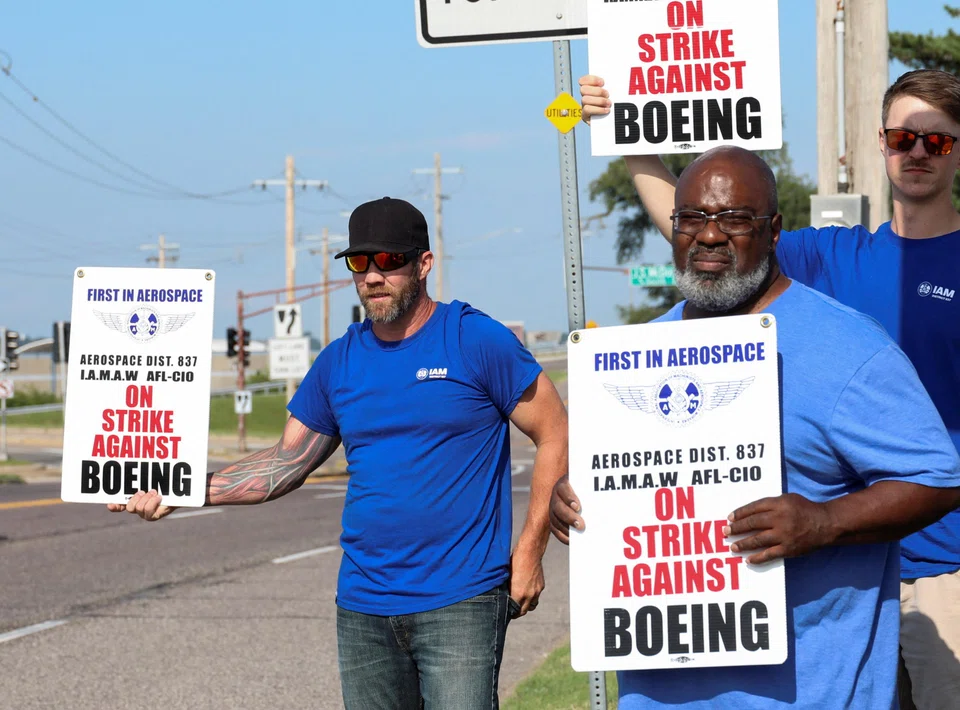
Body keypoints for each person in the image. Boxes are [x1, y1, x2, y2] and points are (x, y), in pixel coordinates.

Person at [579, 68, 960, 709]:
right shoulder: (832, 256)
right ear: (881, 143)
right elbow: (710, 224)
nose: (916, 152)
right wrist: (625, 128)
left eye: (938, 142)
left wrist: (825, 521)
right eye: (901, 138)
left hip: (941, 561)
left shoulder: (846, 340)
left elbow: (935, 473)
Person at [110, 196, 569, 710]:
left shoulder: (474, 339)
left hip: (461, 599)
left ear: (423, 263)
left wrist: (529, 552)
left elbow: (554, 432)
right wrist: (179, 488)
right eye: (359, 262)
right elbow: (284, 465)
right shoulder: (339, 361)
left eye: (389, 261)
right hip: (363, 605)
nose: (373, 276)